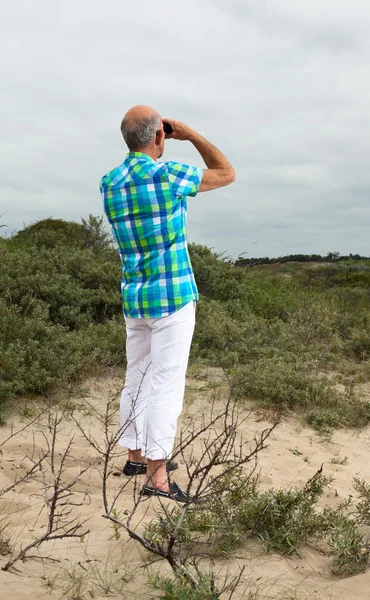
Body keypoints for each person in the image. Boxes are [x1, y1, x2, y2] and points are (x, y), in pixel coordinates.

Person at [100, 105, 235, 502]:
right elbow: (227, 173)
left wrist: (163, 137)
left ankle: (136, 457)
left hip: (135, 296)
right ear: (159, 136)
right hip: (172, 296)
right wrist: (189, 134)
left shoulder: (109, 181)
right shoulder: (167, 175)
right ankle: (157, 479)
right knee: (165, 385)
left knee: (138, 375)